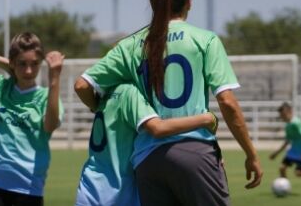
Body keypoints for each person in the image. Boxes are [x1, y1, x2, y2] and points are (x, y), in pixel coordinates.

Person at [74, 0, 262, 206]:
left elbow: (81, 85)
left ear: (153, 2)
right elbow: (227, 102)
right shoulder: (205, 40)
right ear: (190, 2)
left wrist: (97, 106)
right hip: (193, 151)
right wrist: (251, 154)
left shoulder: (130, 45)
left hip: (146, 161)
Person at [0, 32, 64, 206]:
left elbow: (50, 126)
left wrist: (54, 79)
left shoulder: (46, 97)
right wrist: (6, 63)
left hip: (30, 187)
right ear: (13, 62)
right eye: (22, 64)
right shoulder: (0, 87)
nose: (28, 70)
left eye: (34, 64)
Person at [75, 83, 218, 206]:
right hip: (118, 191)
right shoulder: (129, 91)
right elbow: (158, 128)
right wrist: (206, 119)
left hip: (89, 185)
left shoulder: (106, 91)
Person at [270, 102, 301, 181]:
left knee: (299, 172)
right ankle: (284, 186)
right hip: (293, 151)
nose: (282, 117)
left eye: (283, 115)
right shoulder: (288, 125)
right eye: (281, 116)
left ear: (290, 112)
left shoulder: (297, 123)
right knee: (282, 168)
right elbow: (287, 141)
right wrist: (276, 153)